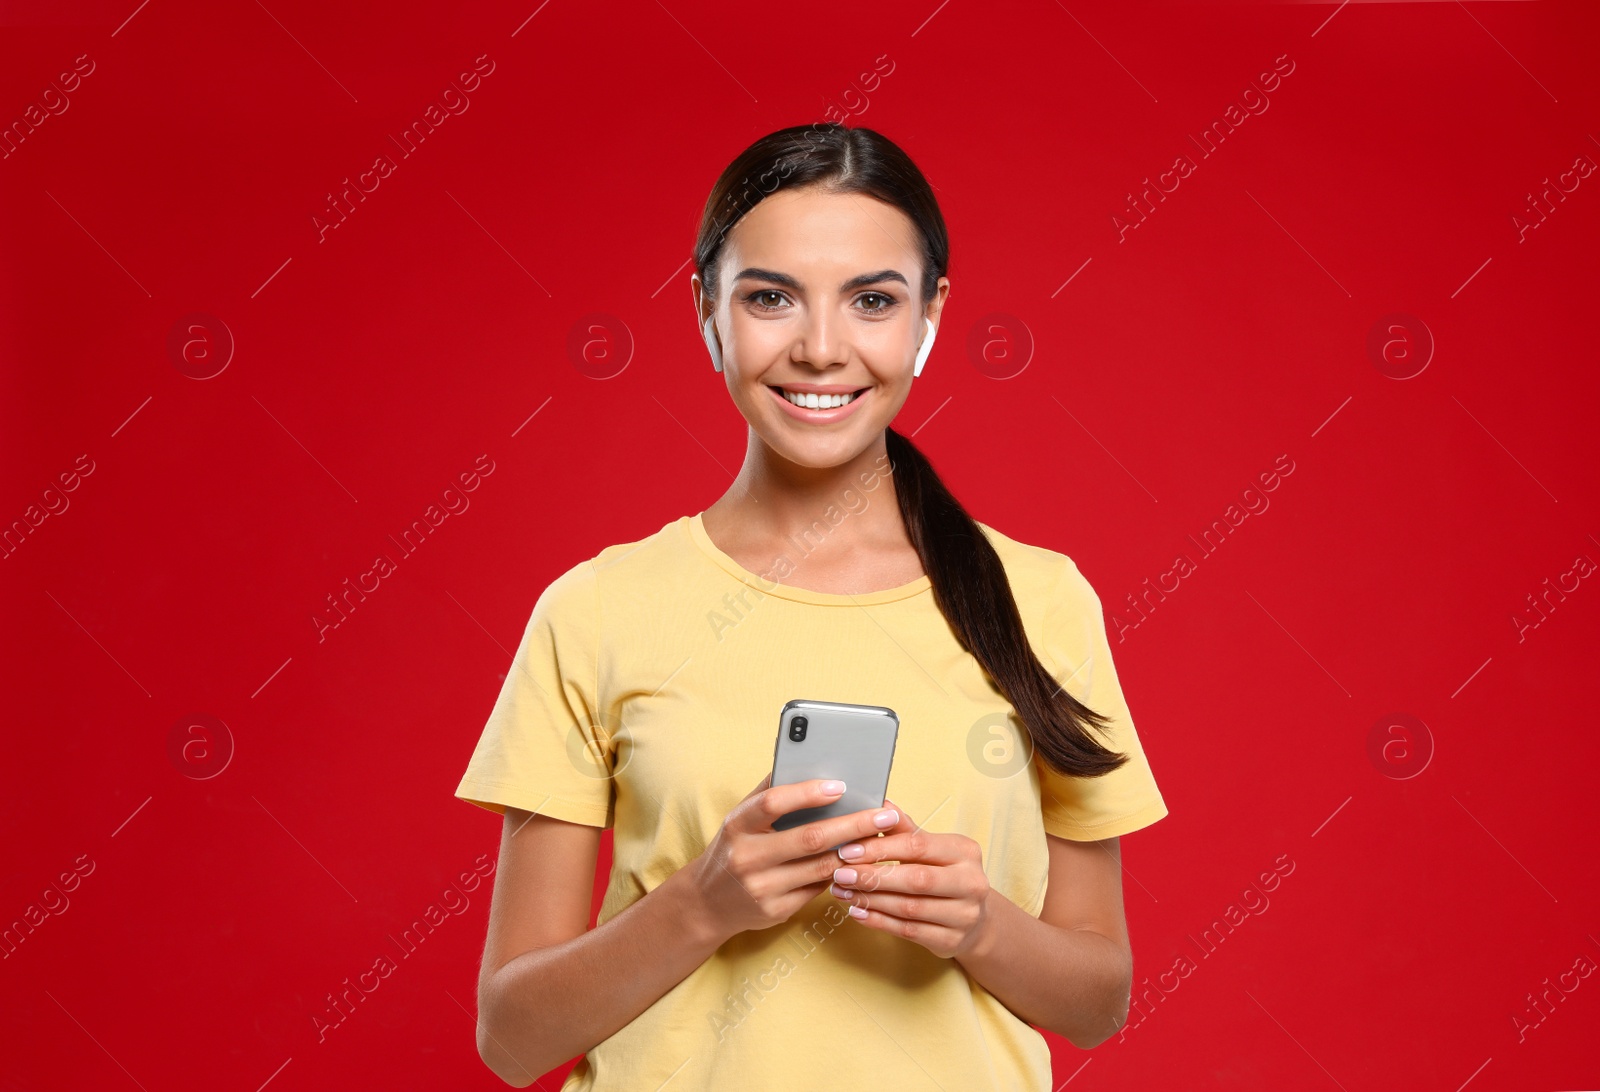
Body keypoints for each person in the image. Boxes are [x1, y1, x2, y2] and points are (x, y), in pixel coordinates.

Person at [453, 122, 1169, 1090]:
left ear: (929, 316)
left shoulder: (1041, 601)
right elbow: (513, 1037)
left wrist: (979, 923)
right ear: (706, 308)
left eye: (872, 301)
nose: (821, 349)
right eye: (769, 299)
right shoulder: (596, 610)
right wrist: (702, 903)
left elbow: (1098, 1002)